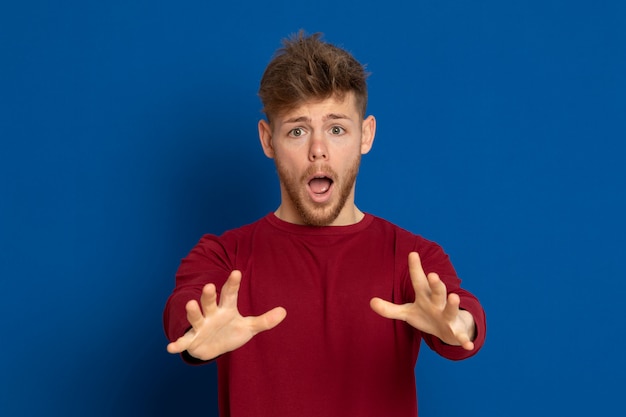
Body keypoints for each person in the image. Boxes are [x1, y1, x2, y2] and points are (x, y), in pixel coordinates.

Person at [163, 31, 486, 417]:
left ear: (365, 135)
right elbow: (186, 310)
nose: (318, 149)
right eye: (297, 131)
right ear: (268, 140)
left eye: (336, 129)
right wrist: (195, 332)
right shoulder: (223, 255)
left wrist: (459, 327)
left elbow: (462, 315)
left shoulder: (413, 259)